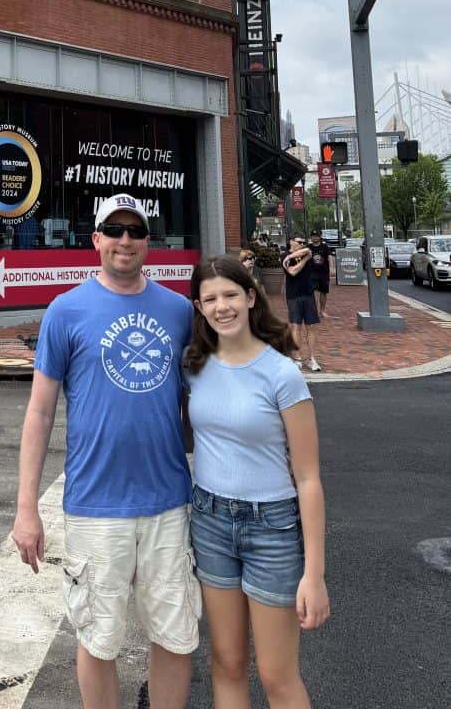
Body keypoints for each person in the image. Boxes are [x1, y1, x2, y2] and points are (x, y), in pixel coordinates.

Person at [12, 193, 201, 709]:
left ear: (148, 241)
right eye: (113, 230)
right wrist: (27, 508)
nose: (125, 240)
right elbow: (40, 413)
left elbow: (206, 396)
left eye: (135, 231)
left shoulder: (179, 310)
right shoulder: (65, 311)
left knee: (175, 633)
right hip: (96, 507)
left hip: (168, 502)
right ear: (95, 239)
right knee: (98, 638)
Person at [184, 255, 330, 708]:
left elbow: (307, 477)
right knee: (226, 662)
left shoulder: (281, 374)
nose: (221, 306)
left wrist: (315, 574)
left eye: (230, 294)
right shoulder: (195, 365)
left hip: (272, 528)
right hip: (209, 520)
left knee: (277, 675)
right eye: (210, 299)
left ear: (250, 297)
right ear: (199, 307)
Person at [282, 236, 322, 372]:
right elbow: (292, 271)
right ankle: (298, 357)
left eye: (303, 242)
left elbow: (308, 252)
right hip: (294, 295)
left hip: (308, 294)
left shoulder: (306, 252)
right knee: (296, 326)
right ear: (291, 242)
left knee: (311, 326)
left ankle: (312, 358)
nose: (302, 244)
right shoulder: (284, 256)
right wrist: (301, 259)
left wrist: (302, 256)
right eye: (299, 242)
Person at [306, 229, 331, 319]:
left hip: (323, 273)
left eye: (316, 236)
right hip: (311, 273)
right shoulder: (308, 247)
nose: (315, 237)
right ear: (311, 237)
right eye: (313, 236)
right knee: (309, 292)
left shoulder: (325, 247)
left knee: (323, 292)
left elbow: (329, 257)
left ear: (319, 237)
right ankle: (311, 311)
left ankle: (322, 311)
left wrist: (332, 268)